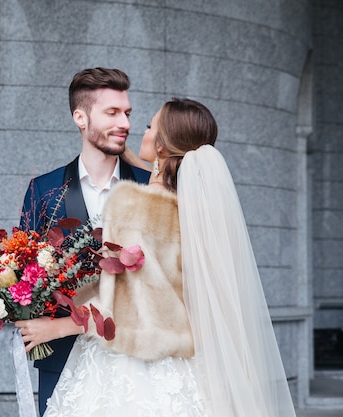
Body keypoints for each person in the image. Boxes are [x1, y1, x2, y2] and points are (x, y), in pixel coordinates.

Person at [18, 98, 297, 416]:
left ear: (162, 147)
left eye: (150, 126)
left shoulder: (133, 205)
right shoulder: (194, 209)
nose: (141, 130)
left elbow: (117, 302)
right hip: (177, 363)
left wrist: (56, 328)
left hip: (126, 365)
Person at [18, 67, 151, 415]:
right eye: (112, 112)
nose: (124, 123)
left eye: (127, 113)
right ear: (80, 117)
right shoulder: (44, 191)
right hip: (61, 360)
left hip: (138, 363)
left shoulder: (151, 188)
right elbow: (25, 276)